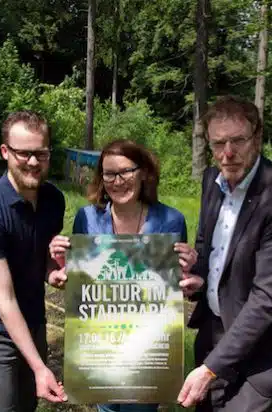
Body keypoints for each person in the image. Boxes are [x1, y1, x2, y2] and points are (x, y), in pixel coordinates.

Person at [177, 95, 272, 411]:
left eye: (237, 141)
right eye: (218, 143)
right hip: (213, 331)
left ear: (257, 137)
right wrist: (197, 274)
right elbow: (207, 245)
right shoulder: (211, 181)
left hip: (263, 352)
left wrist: (210, 369)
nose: (227, 154)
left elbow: (268, 298)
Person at [49, 139, 199, 412]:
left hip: (147, 349)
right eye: (109, 174)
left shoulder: (171, 221)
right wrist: (63, 263)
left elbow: (175, 284)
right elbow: (81, 277)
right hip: (101, 346)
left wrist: (187, 271)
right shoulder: (87, 218)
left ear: (143, 172)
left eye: (126, 171)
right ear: (101, 177)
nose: (118, 181)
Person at [0, 110, 68, 412]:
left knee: (26, 407)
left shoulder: (53, 199)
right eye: (24, 153)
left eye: (41, 153)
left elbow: (43, 256)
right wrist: (39, 367)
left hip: (33, 319)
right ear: (5, 152)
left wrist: (54, 272)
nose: (33, 162)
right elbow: (4, 300)